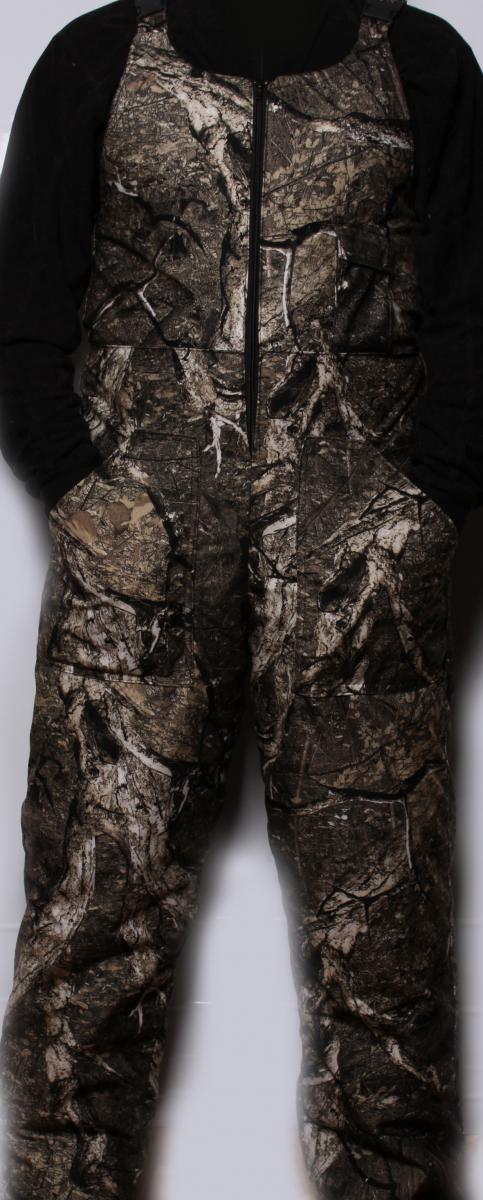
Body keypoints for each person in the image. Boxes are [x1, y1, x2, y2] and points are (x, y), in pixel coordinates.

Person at [0, 0, 482, 1195]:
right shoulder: (96, 59)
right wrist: (86, 495)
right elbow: (19, 318)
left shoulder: (422, 63)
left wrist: (425, 507)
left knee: (385, 946)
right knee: (90, 929)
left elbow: (477, 314)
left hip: (361, 571)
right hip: (135, 571)